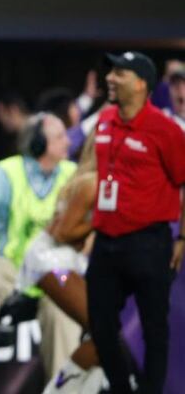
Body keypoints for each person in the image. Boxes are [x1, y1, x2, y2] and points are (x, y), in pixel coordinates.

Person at [88, 51, 185, 394]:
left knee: (153, 327)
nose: (111, 78)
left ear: (142, 84)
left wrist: (182, 237)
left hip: (149, 240)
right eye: (111, 72)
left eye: (120, 73)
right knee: (99, 324)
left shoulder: (166, 130)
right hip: (106, 239)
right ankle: (121, 388)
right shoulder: (104, 120)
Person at [0, 112, 80, 379]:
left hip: (56, 270)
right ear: (40, 144)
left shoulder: (73, 175)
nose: (68, 143)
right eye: (60, 137)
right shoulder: (7, 173)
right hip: (12, 264)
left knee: (66, 309)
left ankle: (66, 388)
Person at [13, 132, 106, 393]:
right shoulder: (91, 183)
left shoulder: (91, 180)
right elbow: (62, 233)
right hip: (54, 264)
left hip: (63, 262)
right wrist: (101, 220)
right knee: (104, 333)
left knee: (102, 339)